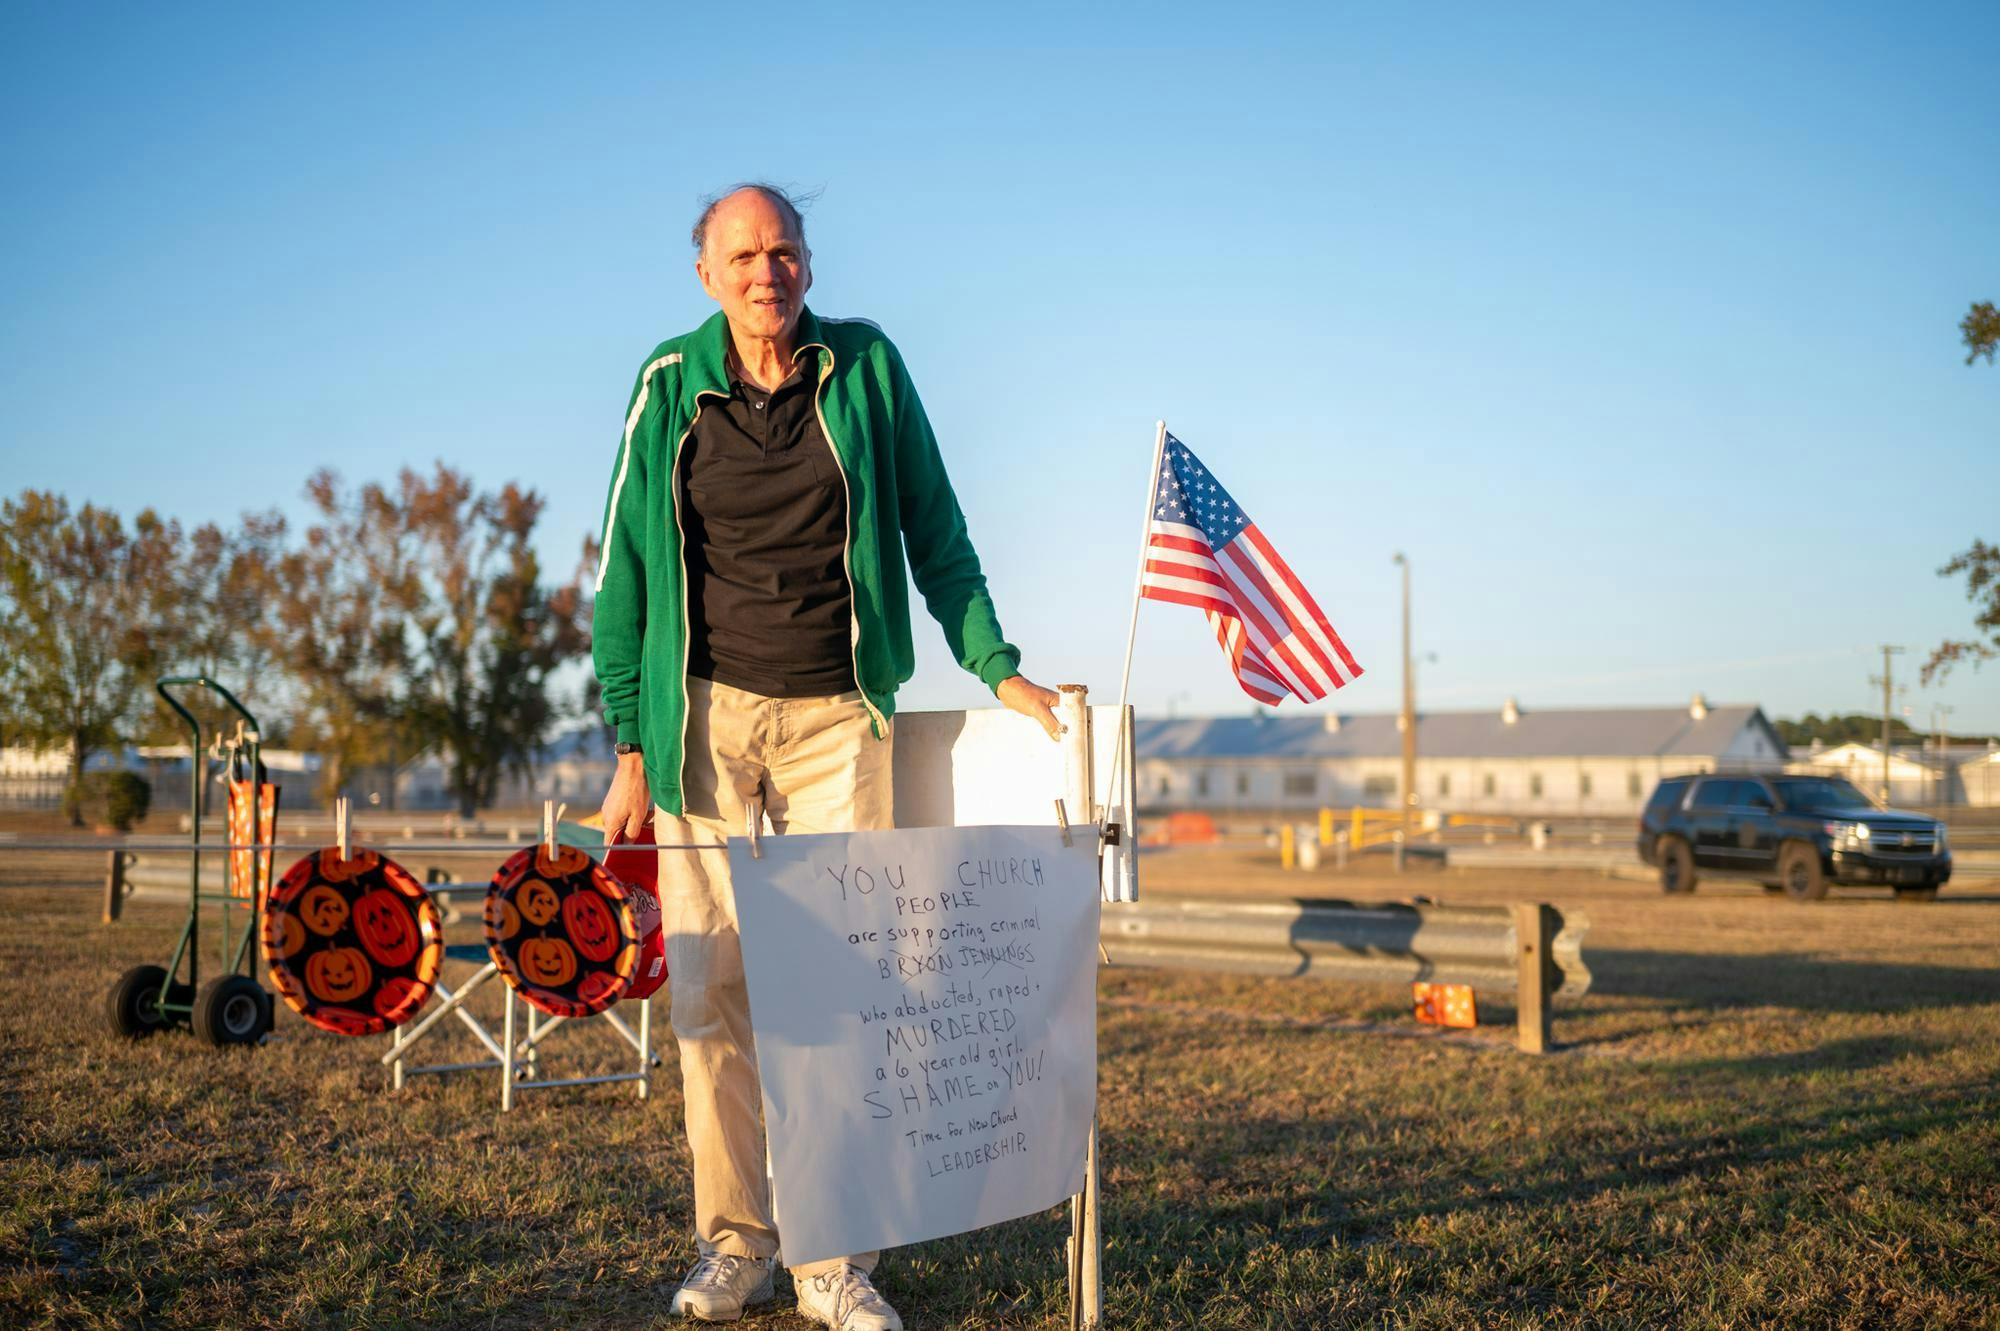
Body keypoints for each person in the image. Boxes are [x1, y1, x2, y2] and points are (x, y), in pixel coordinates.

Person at [592, 183, 1060, 1330]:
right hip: (701, 719)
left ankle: (831, 1261)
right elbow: (625, 578)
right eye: (742, 253)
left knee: (847, 993)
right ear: (706, 274)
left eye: (784, 249)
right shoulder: (666, 385)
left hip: (837, 716)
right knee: (711, 988)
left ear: (807, 263)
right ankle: (735, 1243)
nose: (767, 269)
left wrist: (996, 665)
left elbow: (934, 524)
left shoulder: (867, 368)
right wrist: (630, 746)